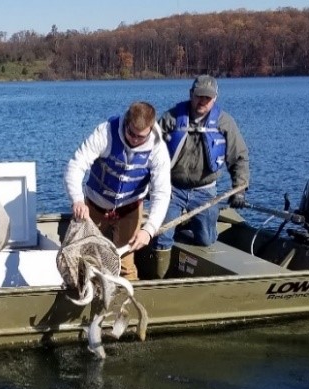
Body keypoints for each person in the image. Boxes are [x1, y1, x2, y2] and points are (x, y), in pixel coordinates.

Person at [151, 74, 250, 277]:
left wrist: (239, 190)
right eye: (199, 96)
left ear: (215, 99)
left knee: (206, 239)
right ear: (191, 94)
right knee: (162, 236)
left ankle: (187, 227)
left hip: (205, 191)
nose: (202, 101)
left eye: (208, 98)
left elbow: (239, 157)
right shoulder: (171, 118)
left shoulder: (225, 122)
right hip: (172, 189)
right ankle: (159, 279)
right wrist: (147, 185)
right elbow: (149, 152)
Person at [64, 101, 171, 281]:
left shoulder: (158, 148)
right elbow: (75, 166)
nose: (135, 140)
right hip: (94, 207)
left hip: (129, 208)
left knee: (126, 266)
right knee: (84, 261)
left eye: (141, 137)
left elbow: (162, 192)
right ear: (126, 122)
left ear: (151, 129)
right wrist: (77, 199)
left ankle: (127, 305)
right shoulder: (105, 133)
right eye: (131, 133)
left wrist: (149, 229)